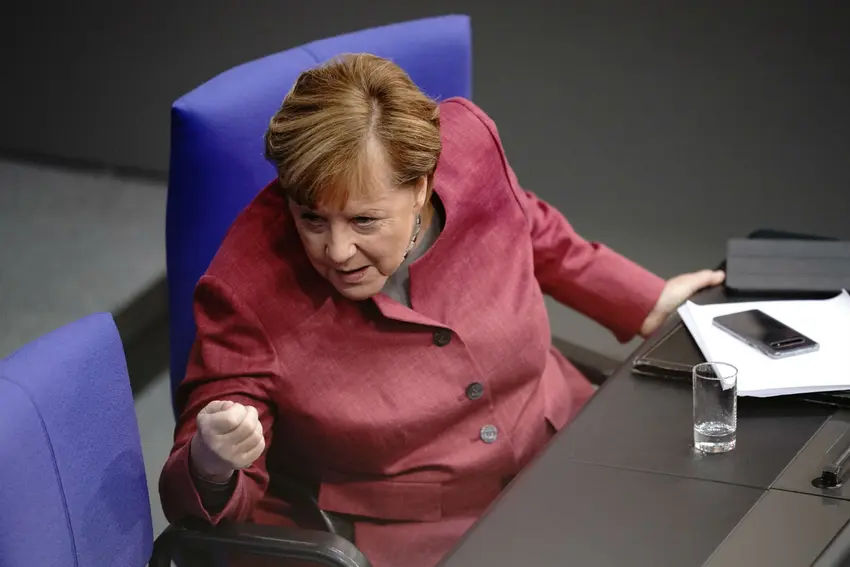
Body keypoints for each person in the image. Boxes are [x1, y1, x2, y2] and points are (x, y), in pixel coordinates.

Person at [159, 53, 725, 567]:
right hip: (415, 536)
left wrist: (642, 299)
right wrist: (212, 460)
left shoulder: (470, 147)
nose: (337, 250)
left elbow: (531, 226)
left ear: (422, 188)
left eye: (364, 221)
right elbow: (199, 489)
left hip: (564, 447)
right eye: (312, 219)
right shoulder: (244, 287)